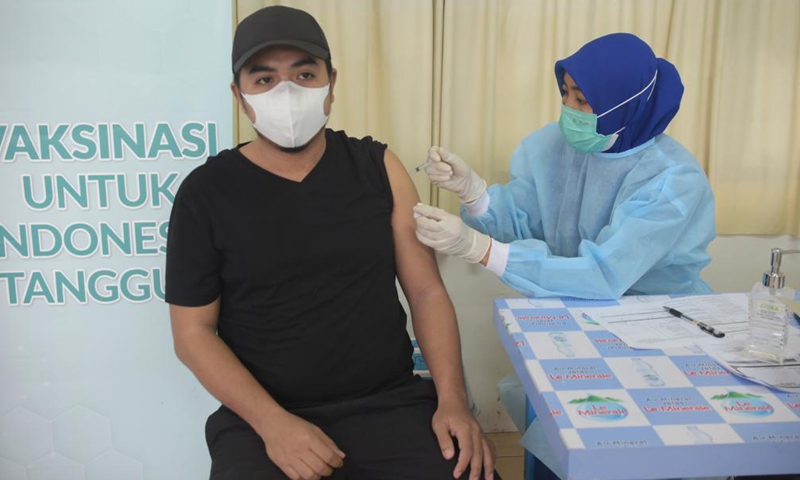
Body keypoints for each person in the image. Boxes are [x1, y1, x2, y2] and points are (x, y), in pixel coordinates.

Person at [165, 6, 496, 480]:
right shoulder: (205, 193)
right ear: (240, 96)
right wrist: (273, 424)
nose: (288, 92)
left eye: (304, 73)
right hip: (263, 417)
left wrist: (454, 401)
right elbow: (193, 333)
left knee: (471, 468)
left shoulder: (378, 166)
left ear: (331, 82)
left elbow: (425, 292)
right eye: (265, 80)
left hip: (390, 402)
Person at [414, 33, 716, 300]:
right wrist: (473, 193)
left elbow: (603, 274)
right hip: (575, 303)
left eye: (582, 99)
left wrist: (480, 249)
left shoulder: (672, 180)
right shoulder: (560, 146)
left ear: (624, 105)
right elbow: (522, 223)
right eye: (565, 92)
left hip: (662, 317)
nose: (568, 107)